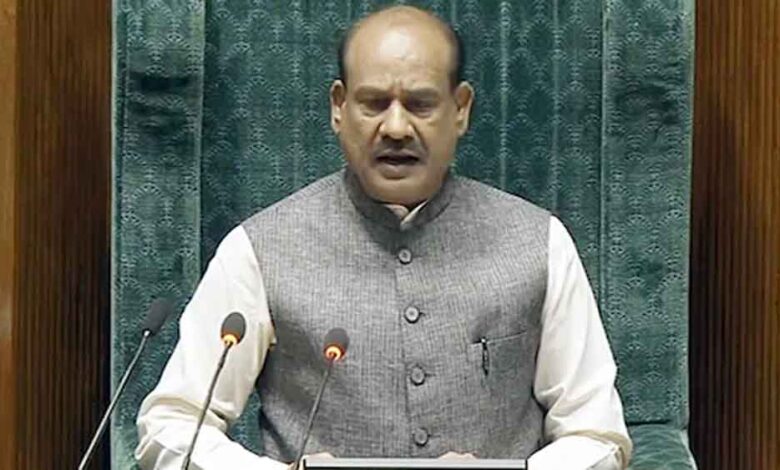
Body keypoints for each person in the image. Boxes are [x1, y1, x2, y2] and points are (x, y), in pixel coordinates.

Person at [135, 5, 632, 470]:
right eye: (374, 103)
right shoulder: (259, 249)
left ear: (460, 109)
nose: (396, 128)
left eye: (420, 104)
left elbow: (598, 435)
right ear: (338, 107)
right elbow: (171, 426)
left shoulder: (540, 242)